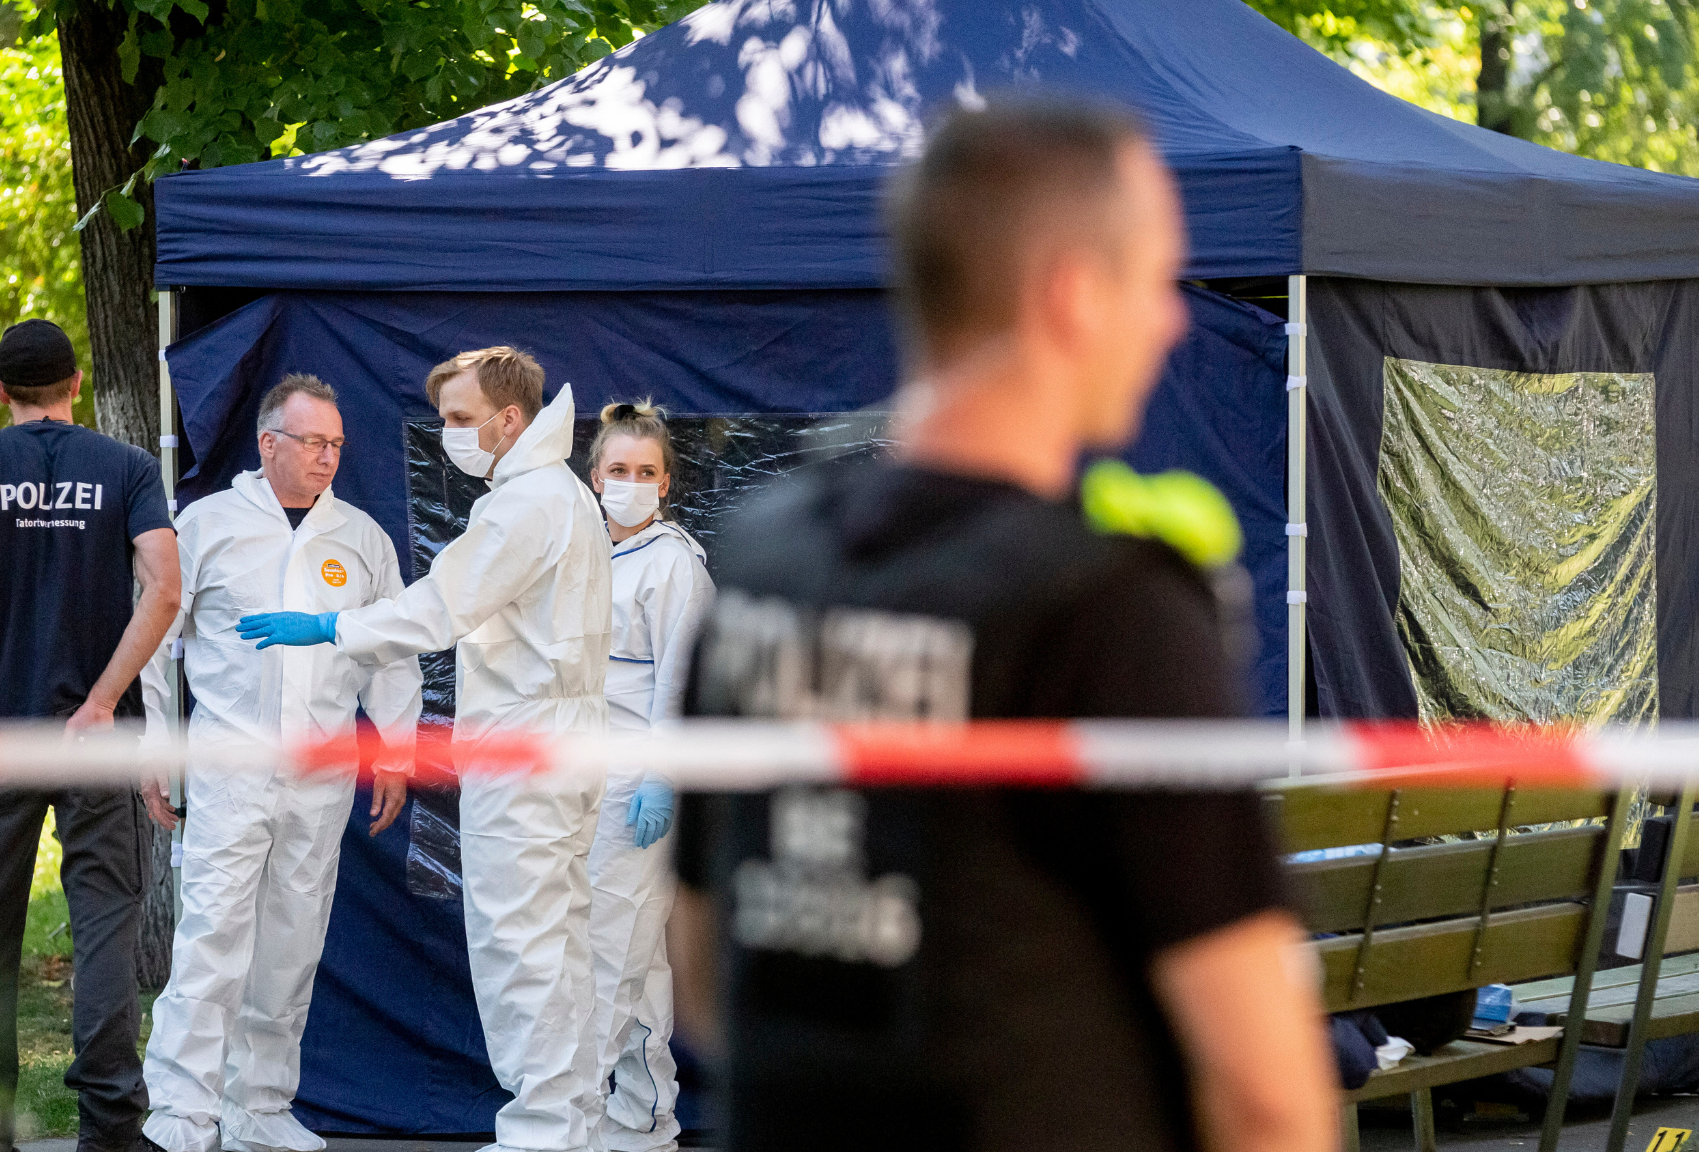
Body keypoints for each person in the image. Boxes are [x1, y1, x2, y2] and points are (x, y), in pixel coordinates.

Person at [669, 97, 1338, 1152]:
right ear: (1071, 295)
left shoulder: (759, 562)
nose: (1168, 319)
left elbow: (706, 977)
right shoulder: (1107, 610)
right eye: (1155, 279)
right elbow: (1265, 1094)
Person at [238, 348, 612, 1152]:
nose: (450, 435)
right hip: (564, 738)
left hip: (526, 743)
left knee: (522, 944)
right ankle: (571, 1123)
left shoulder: (525, 506)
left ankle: (543, 1133)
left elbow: (439, 609)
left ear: (511, 419)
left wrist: (335, 626)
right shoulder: (565, 495)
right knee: (563, 941)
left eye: (462, 419)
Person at [0, 319, 181, 1152]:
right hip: (98, 738)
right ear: (77, 384)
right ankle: (111, 1132)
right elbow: (164, 587)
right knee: (102, 937)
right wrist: (102, 701)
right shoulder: (125, 468)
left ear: (0, 390)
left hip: (2, 733)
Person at [136, 374, 423, 1152]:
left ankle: (258, 1107)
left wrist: (394, 752)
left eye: (336, 444)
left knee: (293, 945)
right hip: (229, 767)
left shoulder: (361, 537)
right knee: (212, 940)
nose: (329, 456)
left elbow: (391, 653)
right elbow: (158, 640)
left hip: (321, 775)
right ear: (269, 445)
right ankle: (182, 1112)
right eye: (313, 442)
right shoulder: (208, 524)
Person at [583, 401, 714, 1152]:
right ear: (594, 477)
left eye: (645, 472)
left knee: (609, 952)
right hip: (581, 783)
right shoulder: (585, 553)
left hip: (634, 789)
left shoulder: (674, 565)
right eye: (618, 470)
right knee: (641, 960)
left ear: (666, 483)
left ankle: (565, 1120)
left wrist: (661, 778)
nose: (630, 483)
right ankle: (640, 1115)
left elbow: (687, 685)